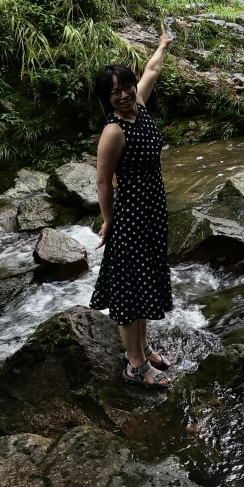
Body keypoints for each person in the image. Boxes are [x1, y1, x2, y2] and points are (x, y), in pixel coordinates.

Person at [90, 27, 174, 390]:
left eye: (126, 86)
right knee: (129, 288)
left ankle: (142, 347)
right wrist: (109, 222)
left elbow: (152, 71)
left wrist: (162, 45)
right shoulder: (114, 131)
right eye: (115, 92)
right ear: (107, 99)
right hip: (131, 217)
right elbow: (103, 183)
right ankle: (135, 365)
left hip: (154, 211)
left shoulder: (138, 105)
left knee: (144, 282)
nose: (124, 94)